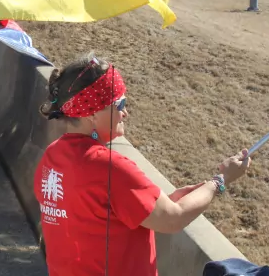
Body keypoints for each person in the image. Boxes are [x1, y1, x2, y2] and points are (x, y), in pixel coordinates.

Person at [35, 53, 251, 276]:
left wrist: (160, 201)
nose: (125, 113)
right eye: (120, 104)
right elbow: (173, 219)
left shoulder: (52, 156)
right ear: (92, 112)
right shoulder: (109, 168)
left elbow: (94, 215)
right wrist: (219, 181)